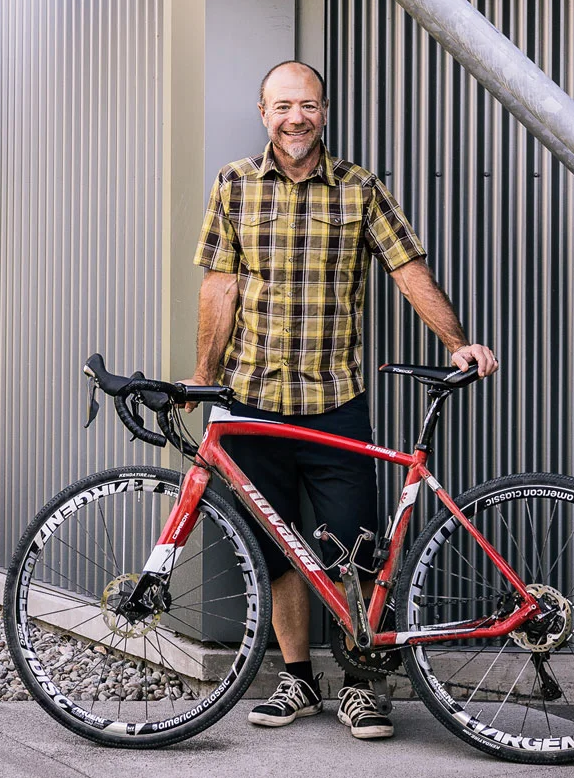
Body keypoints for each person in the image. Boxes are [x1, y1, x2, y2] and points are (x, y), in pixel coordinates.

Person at [187, 59, 498, 741]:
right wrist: (205, 377)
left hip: (335, 399)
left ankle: (363, 687)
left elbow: (408, 270)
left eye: (309, 105)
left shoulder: (359, 188)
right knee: (277, 550)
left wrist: (456, 341)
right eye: (283, 106)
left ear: (323, 111)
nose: (296, 117)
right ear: (264, 112)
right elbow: (220, 287)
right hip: (253, 399)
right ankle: (297, 677)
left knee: (356, 552)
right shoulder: (234, 184)